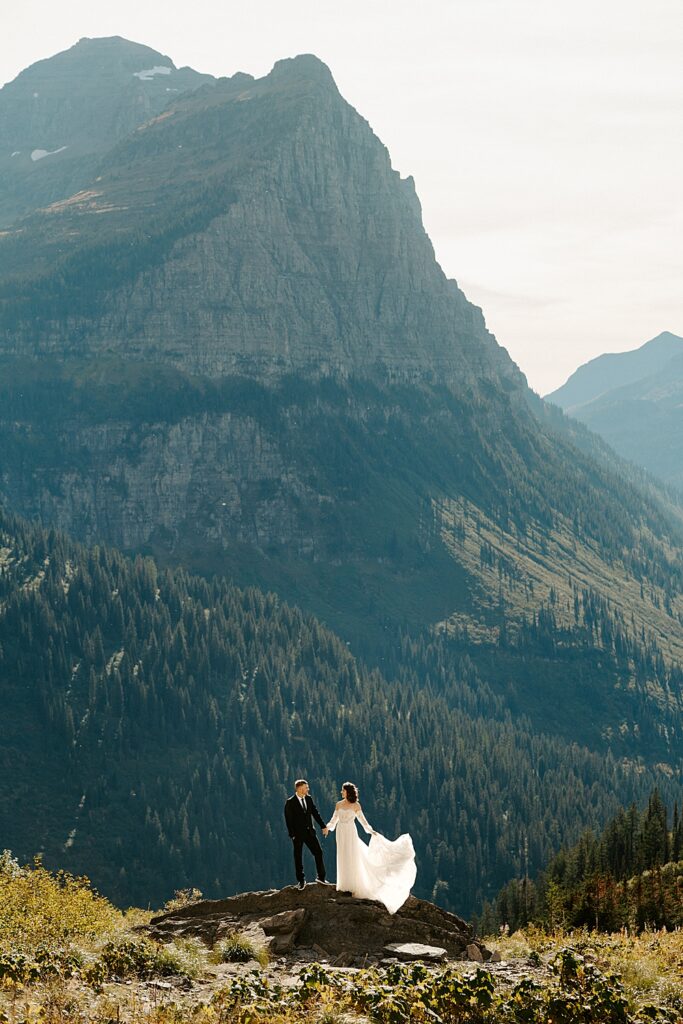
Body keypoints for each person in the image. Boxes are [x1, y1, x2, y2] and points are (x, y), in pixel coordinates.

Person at [326, 781, 416, 915]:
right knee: (342, 856)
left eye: (343, 790)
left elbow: (362, 821)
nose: (341, 792)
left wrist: (370, 831)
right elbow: (334, 820)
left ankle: (351, 886)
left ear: (348, 792)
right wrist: (327, 827)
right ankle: (344, 885)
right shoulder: (338, 804)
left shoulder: (356, 805)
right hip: (340, 832)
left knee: (351, 856)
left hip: (350, 831)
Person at [284, 779, 330, 889]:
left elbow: (315, 813)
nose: (308, 789)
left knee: (318, 852)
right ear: (299, 788)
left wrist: (323, 826)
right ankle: (301, 881)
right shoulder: (290, 802)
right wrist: (292, 835)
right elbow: (288, 820)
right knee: (298, 856)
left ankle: (321, 877)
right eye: (306, 787)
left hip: (310, 832)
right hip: (297, 834)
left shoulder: (308, 799)